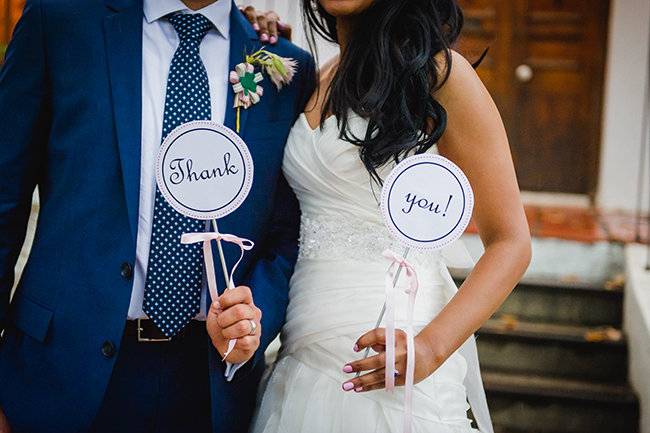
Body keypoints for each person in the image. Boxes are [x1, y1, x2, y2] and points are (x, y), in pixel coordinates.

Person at [0, 1, 314, 432]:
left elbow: (286, 232)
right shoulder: (59, 21)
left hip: (210, 387)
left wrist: (251, 318)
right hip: (58, 375)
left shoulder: (285, 68)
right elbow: (4, 197)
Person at [236, 1, 532, 432]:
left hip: (396, 359)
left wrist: (429, 349)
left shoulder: (438, 74)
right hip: (300, 355)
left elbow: (511, 242)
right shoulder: (315, 76)